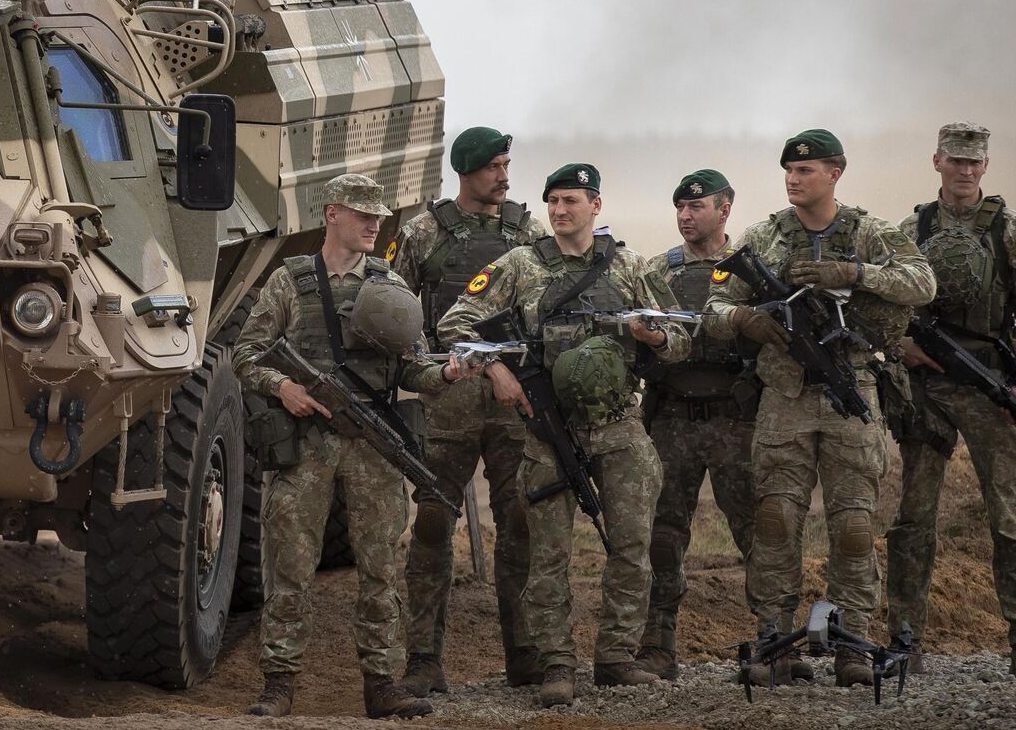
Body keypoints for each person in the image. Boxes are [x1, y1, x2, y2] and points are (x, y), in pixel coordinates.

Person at [431, 162, 692, 708]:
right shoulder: (521, 264)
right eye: (552, 201)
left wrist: (654, 337)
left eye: (571, 200)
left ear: (595, 205)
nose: (559, 210)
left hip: (618, 425)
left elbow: (681, 337)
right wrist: (495, 367)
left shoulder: (629, 266)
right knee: (547, 554)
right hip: (549, 429)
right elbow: (455, 322)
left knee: (632, 544)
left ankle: (617, 657)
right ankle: (556, 663)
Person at [234, 173, 476, 719]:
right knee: (290, 568)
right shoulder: (290, 281)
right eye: (363, 215)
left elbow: (414, 366)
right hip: (307, 444)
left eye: (378, 217)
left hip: (373, 444)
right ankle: (278, 683)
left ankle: (382, 683)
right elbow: (246, 354)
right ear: (332, 215)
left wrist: (448, 373)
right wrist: (284, 387)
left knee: (380, 570)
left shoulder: (389, 286)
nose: (374, 225)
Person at [704, 130, 935, 688]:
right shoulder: (763, 236)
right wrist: (744, 320)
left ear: (835, 173)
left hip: (850, 390)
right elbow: (713, 305)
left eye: (805, 170)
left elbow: (922, 282)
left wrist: (854, 274)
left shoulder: (869, 233)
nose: (793, 178)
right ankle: (774, 642)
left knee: (853, 524)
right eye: (788, 169)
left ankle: (853, 643)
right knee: (775, 520)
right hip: (784, 397)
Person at [885, 123, 1016, 681]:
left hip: (989, 384)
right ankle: (905, 638)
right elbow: (884, 304)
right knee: (914, 519)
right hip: (926, 388)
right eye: (955, 160)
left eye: (973, 162)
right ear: (937, 162)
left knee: (1009, 519)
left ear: (985, 166)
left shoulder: (1012, 232)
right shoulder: (910, 231)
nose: (965, 170)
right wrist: (900, 345)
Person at [388, 126, 549, 694]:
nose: (505, 177)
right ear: (466, 171)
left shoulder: (529, 232)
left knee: (520, 520)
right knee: (434, 523)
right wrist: (423, 370)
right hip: (448, 399)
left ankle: (525, 653)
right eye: (494, 167)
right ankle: (423, 661)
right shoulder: (422, 233)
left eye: (507, 166)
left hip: (513, 401)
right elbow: (393, 310)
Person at [632, 169, 759, 679]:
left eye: (696, 207)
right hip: (672, 418)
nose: (685, 217)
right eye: (680, 208)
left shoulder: (751, 268)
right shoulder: (657, 271)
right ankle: (658, 645)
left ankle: (777, 639)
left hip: (736, 418)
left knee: (758, 532)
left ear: (724, 209)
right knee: (663, 535)